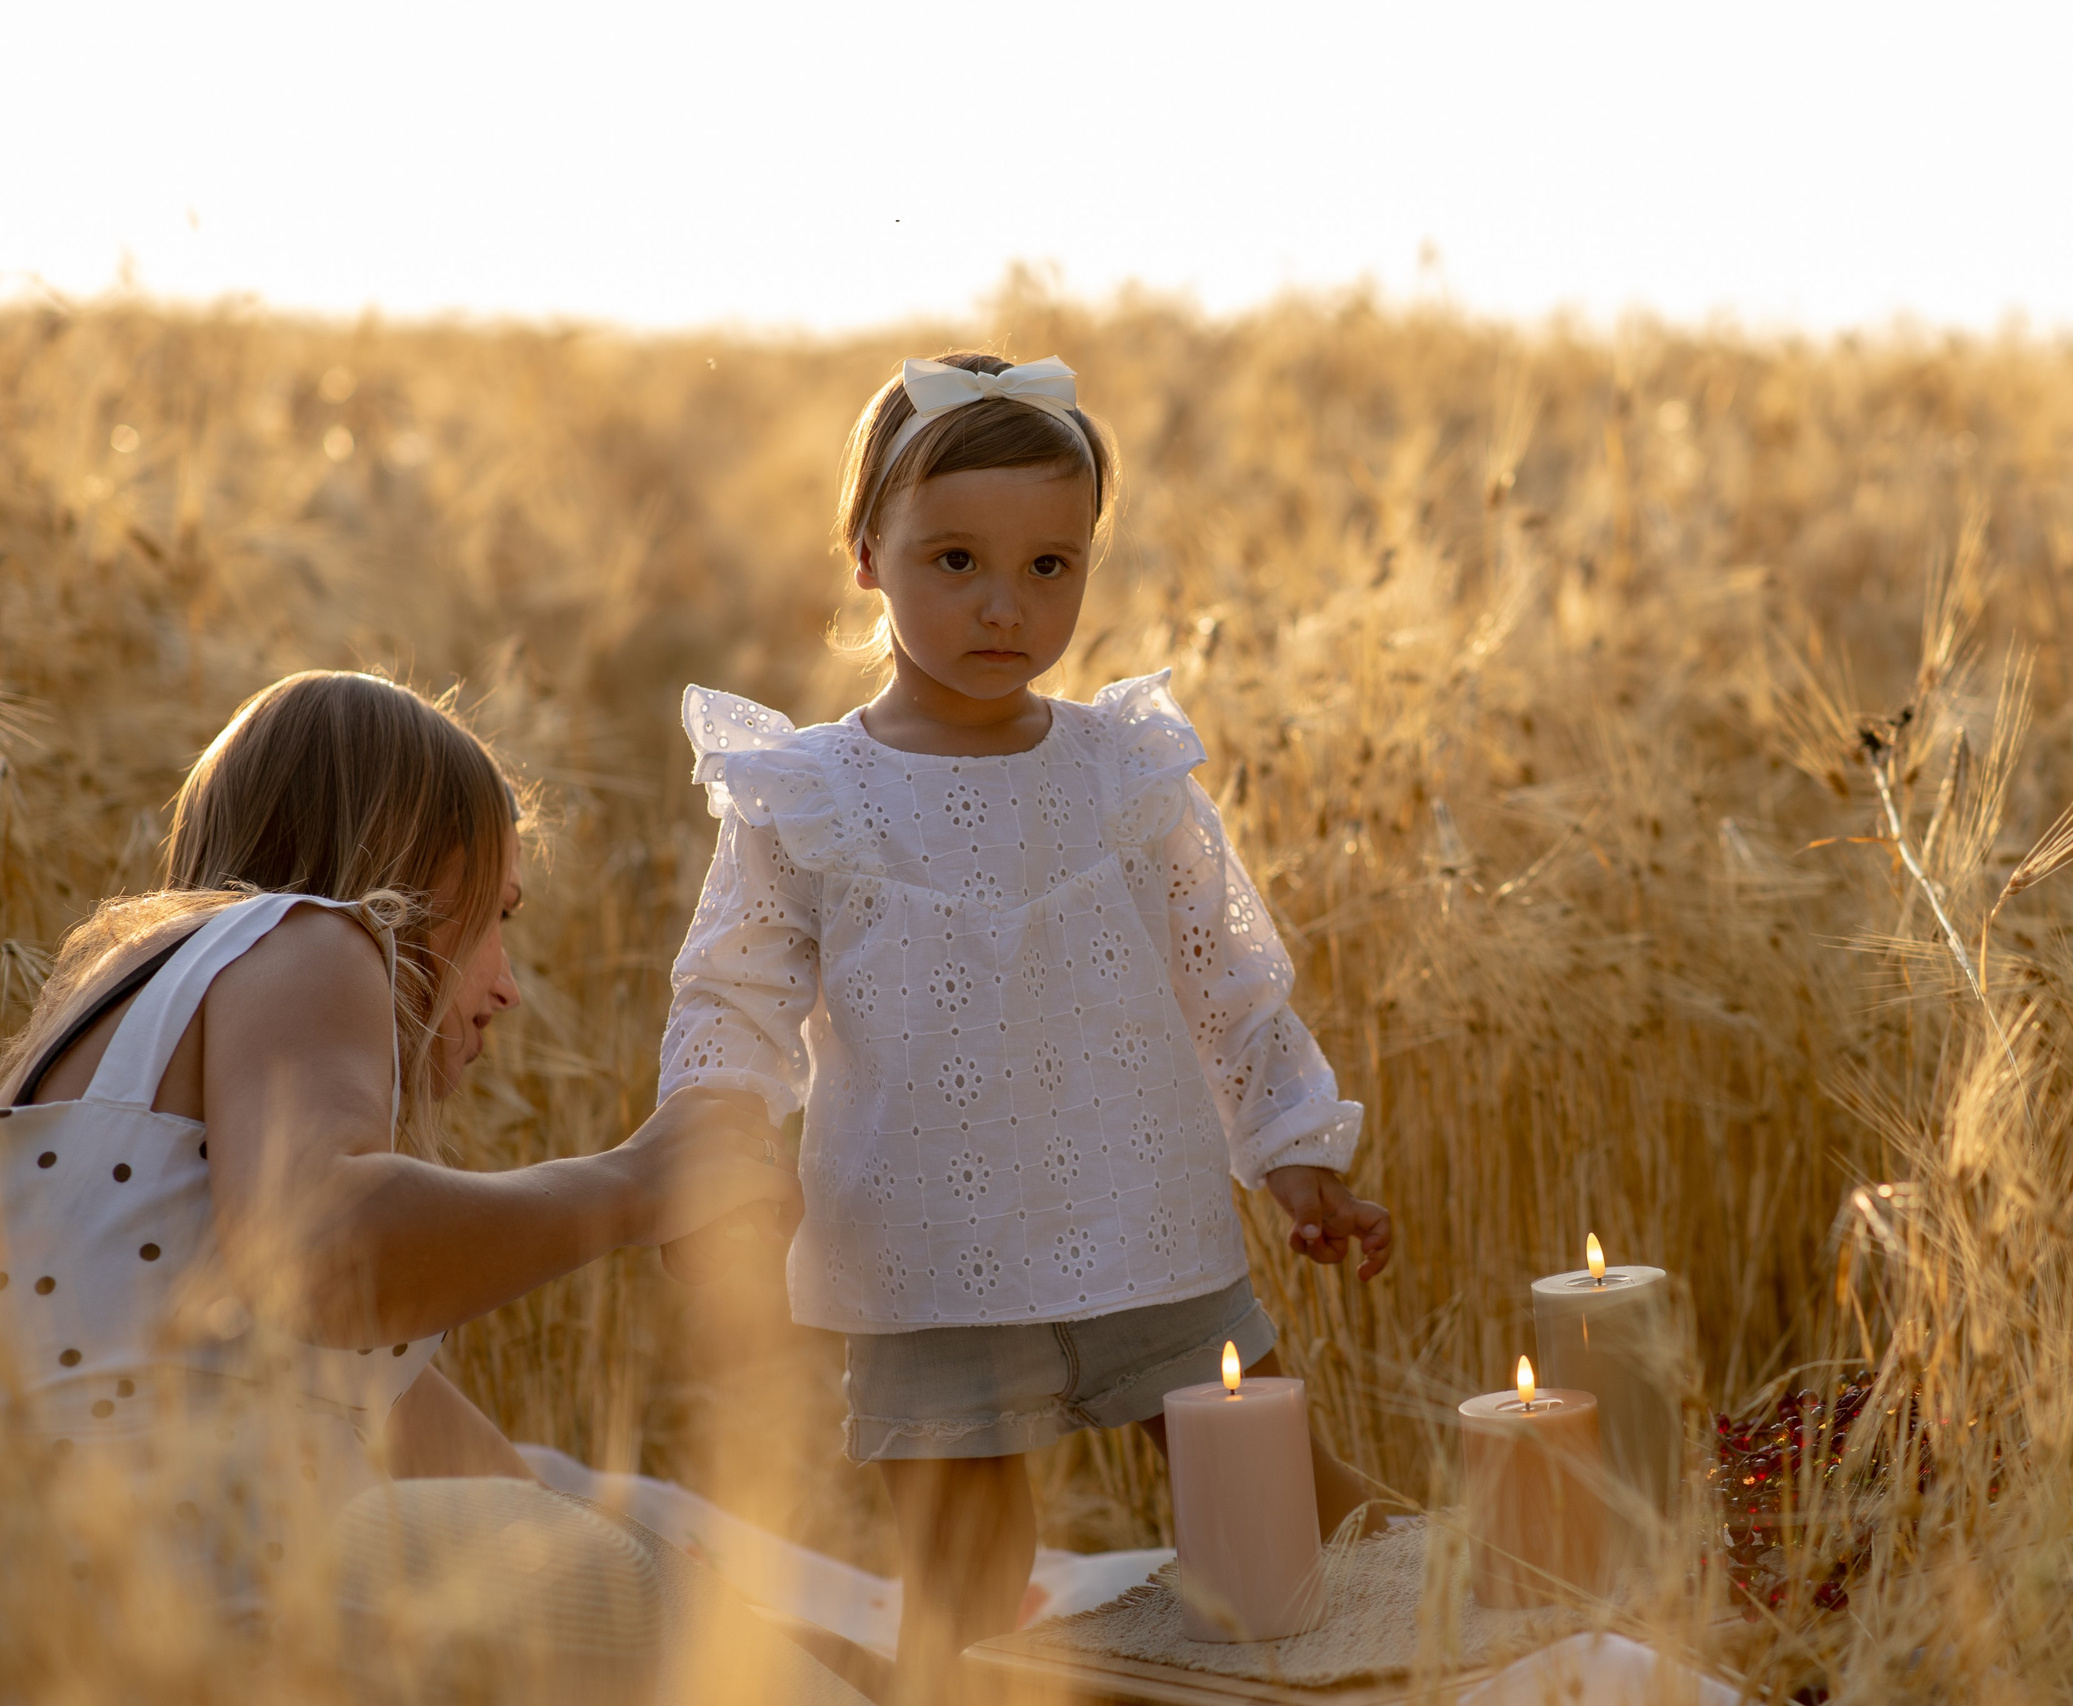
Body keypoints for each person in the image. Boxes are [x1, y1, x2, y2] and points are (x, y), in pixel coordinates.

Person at [660, 353, 1399, 1697]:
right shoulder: (807, 791)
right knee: (960, 1580)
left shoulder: (1123, 768)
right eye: (955, 559)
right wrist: (722, 1144)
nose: (1007, 606)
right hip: (926, 1241)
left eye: (1051, 567)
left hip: (1145, 1213)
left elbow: (1222, 971)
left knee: (1285, 1512)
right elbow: (735, 993)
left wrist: (1297, 1141)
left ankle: (1444, 1639)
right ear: (865, 551)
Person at [0, 670, 850, 1700]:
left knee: (609, 1525)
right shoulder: (315, 933)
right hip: (220, 1585)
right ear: (404, 876)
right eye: (494, 915)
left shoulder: (98, 1041)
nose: (506, 983)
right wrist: (634, 1180)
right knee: (664, 1609)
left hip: (65, 1593)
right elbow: (319, 1249)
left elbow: (442, 1445)